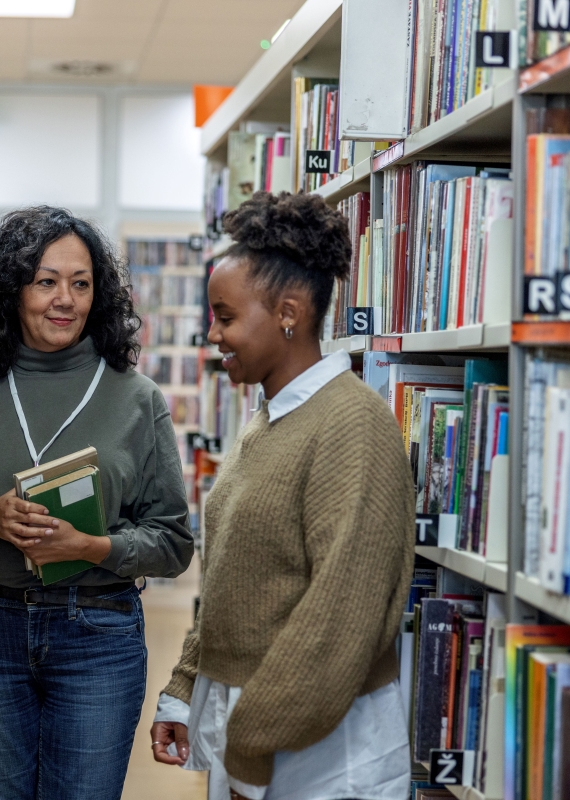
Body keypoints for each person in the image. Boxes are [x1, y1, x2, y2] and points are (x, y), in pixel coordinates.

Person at [0, 205, 194, 800]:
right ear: (12, 292)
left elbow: (173, 543)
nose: (65, 299)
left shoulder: (138, 400)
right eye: (46, 281)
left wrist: (92, 546)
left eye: (80, 284)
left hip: (99, 632)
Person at [150, 192, 415, 800]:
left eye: (225, 316)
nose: (213, 333)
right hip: (255, 730)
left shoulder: (353, 425)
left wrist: (249, 751)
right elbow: (234, 579)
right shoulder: (268, 421)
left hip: (320, 751)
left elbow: (340, 620)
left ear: (288, 313)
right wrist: (187, 689)